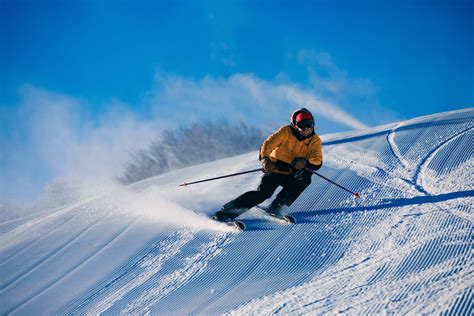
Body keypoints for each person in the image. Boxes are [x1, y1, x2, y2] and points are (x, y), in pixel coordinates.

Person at [213, 108, 323, 221]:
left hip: (293, 172)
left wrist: (305, 161)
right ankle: (227, 212)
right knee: (263, 193)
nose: (306, 128)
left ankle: (277, 206)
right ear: (295, 125)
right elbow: (268, 144)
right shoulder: (285, 132)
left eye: (309, 124)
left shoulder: (315, 141)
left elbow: (317, 159)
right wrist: (265, 160)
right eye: (302, 124)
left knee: (305, 177)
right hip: (276, 168)